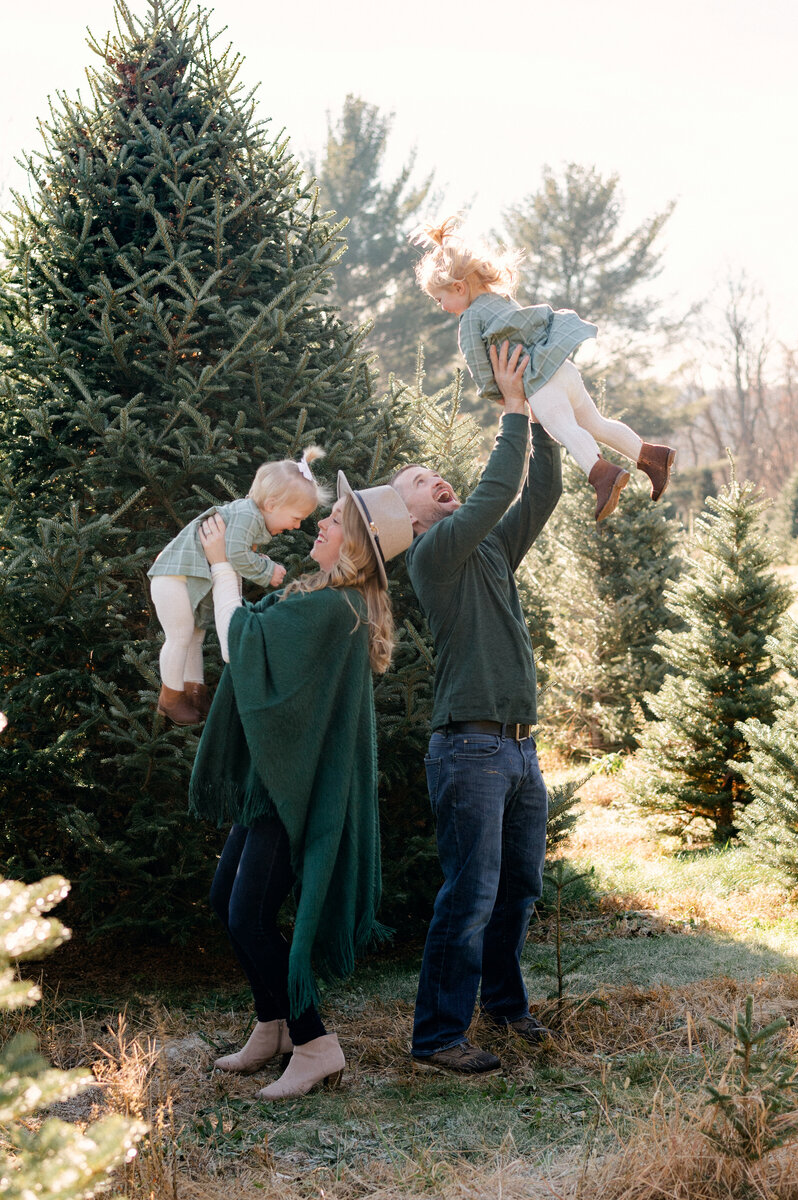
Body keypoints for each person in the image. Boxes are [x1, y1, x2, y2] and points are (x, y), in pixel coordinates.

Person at [188, 473, 413, 1100]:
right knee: (225, 901)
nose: (320, 524)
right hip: (276, 783)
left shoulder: (335, 610)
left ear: (357, 546)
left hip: (299, 793)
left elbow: (242, 647)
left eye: (333, 519)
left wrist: (221, 563)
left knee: (249, 915)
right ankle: (274, 1025)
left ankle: (316, 1044)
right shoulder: (322, 595)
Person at [392, 341, 561, 1076]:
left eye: (436, 472)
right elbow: (496, 489)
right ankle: (436, 1038)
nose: (439, 480)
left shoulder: (487, 549)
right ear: (409, 517)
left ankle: (503, 1003)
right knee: (471, 893)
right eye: (422, 482)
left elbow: (538, 496)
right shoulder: (433, 556)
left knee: (519, 887)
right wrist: (512, 410)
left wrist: (547, 415)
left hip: (519, 748)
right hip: (469, 750)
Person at [414, 217, 676, 523]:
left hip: (539, 381)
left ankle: (603, 475)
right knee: (596, 423)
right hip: (562, 367)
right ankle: (652, 457)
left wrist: (497, 394)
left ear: (458, 287)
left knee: (564, 429)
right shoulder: (502, 299)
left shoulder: (470, 319)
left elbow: (478, 364)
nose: (441, 306)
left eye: (439, 298)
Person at [148, 447, 330, 725]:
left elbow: (235, 551)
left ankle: (195, 692)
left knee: (195, 635)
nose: (296, 526)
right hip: (173, 576)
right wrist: (267, 570)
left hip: (186, 578)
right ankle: (169, 700)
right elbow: (234, 555)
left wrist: (256, 558)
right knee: (180, 635)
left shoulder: (250, 517)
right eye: (296, 517)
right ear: (271, 505)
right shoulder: (247, 515)